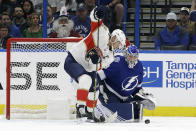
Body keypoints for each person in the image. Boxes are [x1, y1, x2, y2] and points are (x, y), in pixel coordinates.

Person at [64, 6, 110, 122]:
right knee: (86, 79)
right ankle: (80, 107)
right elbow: (94, 17)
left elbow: (99, 66)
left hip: (87, 66)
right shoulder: (99, 32)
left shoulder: (108, 53)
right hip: (73, 59)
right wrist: (99, 10)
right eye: (114, 39)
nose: (114, 42)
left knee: (95, 88)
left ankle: (90, 111)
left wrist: (95, 61)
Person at [93, 45, 156, 122]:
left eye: (135, 57)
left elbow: (137, 86)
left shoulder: (139, 66)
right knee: (117, 115)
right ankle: (95, 110)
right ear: (126, 55)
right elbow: (99, 75)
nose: (132, 59)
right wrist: (98, 89)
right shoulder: (118, 63)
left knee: (133, 112)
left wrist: (140, 94)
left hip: (125, 96)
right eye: (130, 56)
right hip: (109, 92)